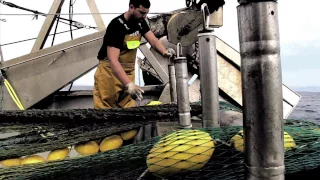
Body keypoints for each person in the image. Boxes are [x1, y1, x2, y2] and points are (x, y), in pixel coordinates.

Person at [94, 0, 175, 109]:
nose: (144, 16)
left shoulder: (140, 22)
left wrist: (165, 52)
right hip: (109, 73)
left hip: (128, 72)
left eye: (146, 13)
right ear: (131, 7)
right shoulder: (117, 26)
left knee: (128, 109)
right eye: (142, 12)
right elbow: (113, 60)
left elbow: (154, 41)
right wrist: (129, 85)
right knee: (105, 109)